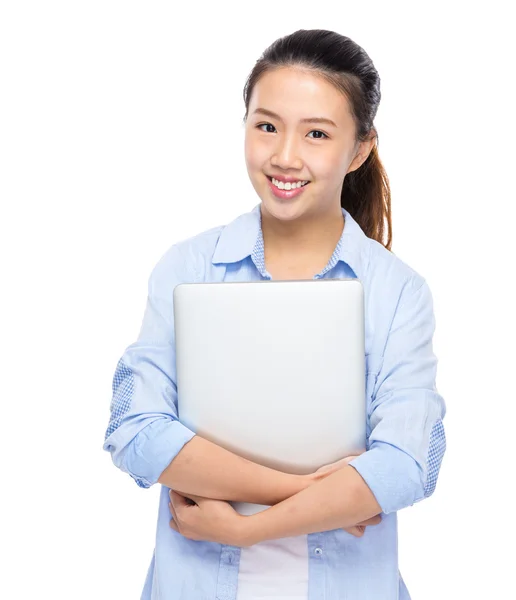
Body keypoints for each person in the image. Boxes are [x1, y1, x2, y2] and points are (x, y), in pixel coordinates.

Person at [103, 28, 446, 600]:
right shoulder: (189, 266)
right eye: (266, 126)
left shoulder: (397, 292)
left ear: (360, 149)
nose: (285, 156)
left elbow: (404, 465)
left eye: (316, 133)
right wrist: (303, 492)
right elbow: (137, 432)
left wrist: (248, 528)